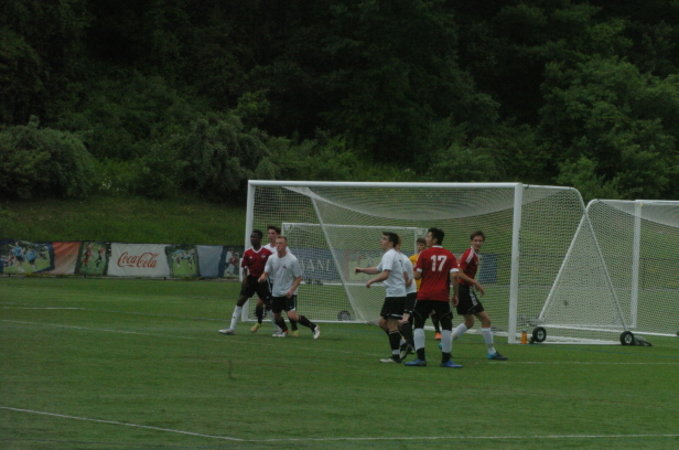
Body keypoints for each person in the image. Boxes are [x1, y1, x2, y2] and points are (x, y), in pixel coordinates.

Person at [405, 228, 484, 368]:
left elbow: (417, 275)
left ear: (435, 239)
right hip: (441, 296)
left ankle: (420, 358)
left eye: (428, 236)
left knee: (419, 324)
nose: (426, 239)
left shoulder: (424, 254)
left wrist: (411, 271)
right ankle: (446, 360)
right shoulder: (449, 255)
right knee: (446, 326)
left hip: (424, 295)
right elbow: (455, 276)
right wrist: (456, 294)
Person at [452, 231, 507, 360]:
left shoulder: (474, 255)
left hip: (465, 290)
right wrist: (475, 282)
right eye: (475, 240)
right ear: (471, 241)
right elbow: (459, 273)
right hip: (465, 290)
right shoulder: (470, 254)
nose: (477, 243)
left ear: (483, 242)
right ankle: (491, 352)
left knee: (469, 322)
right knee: (486, 320)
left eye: (480, 241)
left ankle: (446, 342)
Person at [355, 232, 407, 363]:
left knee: (392, 325)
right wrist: (362, 270)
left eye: (384, 239)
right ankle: (403, 344)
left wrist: (371, 281)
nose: (381, 241)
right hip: (394, 294)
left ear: (391, 243)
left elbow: (385, 274)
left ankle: (396, 356)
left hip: (395, 294)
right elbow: (378, 269)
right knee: (382, 323)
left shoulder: (390, 254)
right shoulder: (391, 254)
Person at [258, 235, 320, 339]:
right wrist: (263, 276)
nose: (278, 245)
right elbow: (266, 272)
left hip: (289, 292)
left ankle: (314, 327)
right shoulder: (271, 258)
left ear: (286, 245)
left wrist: (291, 290)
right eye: (277, 243)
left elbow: (299, 278)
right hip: (276, 292)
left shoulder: (292, 260)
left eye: (281, 243)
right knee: (276, 316)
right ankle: (284, 331)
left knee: (292, 316)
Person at [219, 230, 272, 335]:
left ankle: (280, 329)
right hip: (251, 280)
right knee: (240, 301)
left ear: (260, 239)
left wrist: (266, 276)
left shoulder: (267, 252)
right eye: (251, 237)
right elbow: (244, 267)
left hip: (262, 281)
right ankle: (231, 328)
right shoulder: (248, 252)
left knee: (268, 305)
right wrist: (244, 279)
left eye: (254, 237)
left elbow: (271, 266)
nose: (252, 239)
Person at [252, 225, 300, 336]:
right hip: (269, 281)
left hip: (282, 283)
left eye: (273, 233)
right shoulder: (265, 248)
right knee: (260, 302)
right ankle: (259, 322)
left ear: (278, 235)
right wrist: (263, 275)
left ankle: (294, 327)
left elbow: (289, 263)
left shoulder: (284, 249)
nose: (270, 235)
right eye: (269, 233)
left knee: (288, 309)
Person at [410, 237, 442, 340]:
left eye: (422, 245)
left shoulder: (429, 257)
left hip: (426, 288)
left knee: (432, 310)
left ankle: (437, 331)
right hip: (415, 288)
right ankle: (412, 331)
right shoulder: (412, 258)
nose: (420, 247)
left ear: (425, 246)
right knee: (414, 310)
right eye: (418, 245)